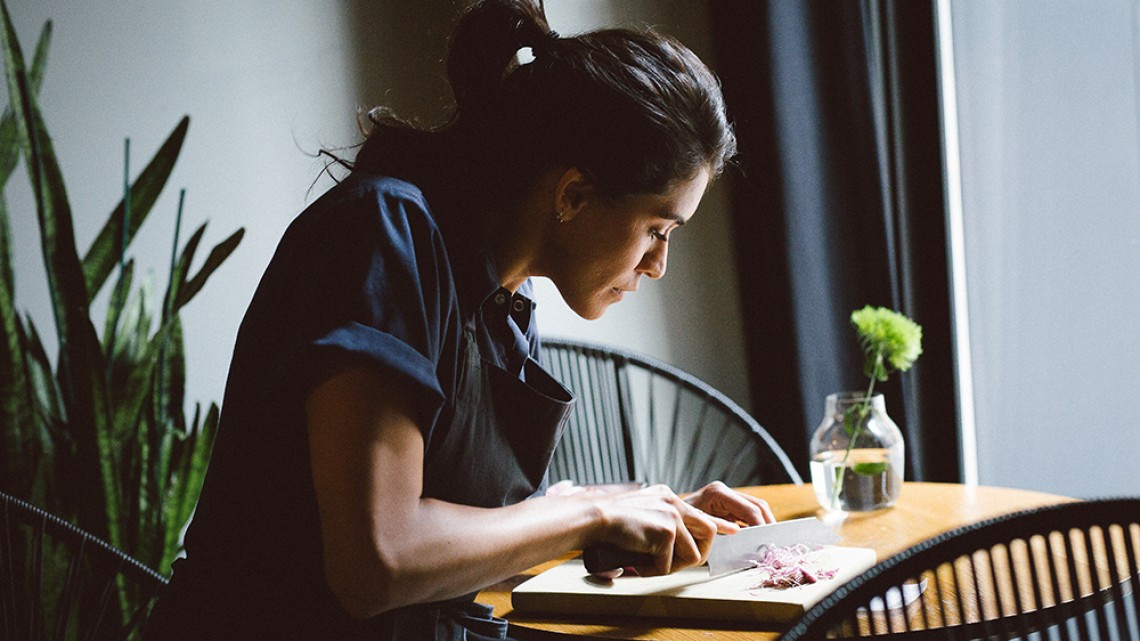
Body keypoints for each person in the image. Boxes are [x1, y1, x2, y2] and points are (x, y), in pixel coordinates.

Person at [144, 1, 775, 640]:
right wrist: (590, 513)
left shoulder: (501, 304)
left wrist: (647, 514)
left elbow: (465, 541)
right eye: (657, 229)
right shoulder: (384, 235)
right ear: (574, 194)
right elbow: (378, 562)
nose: (658, 265)